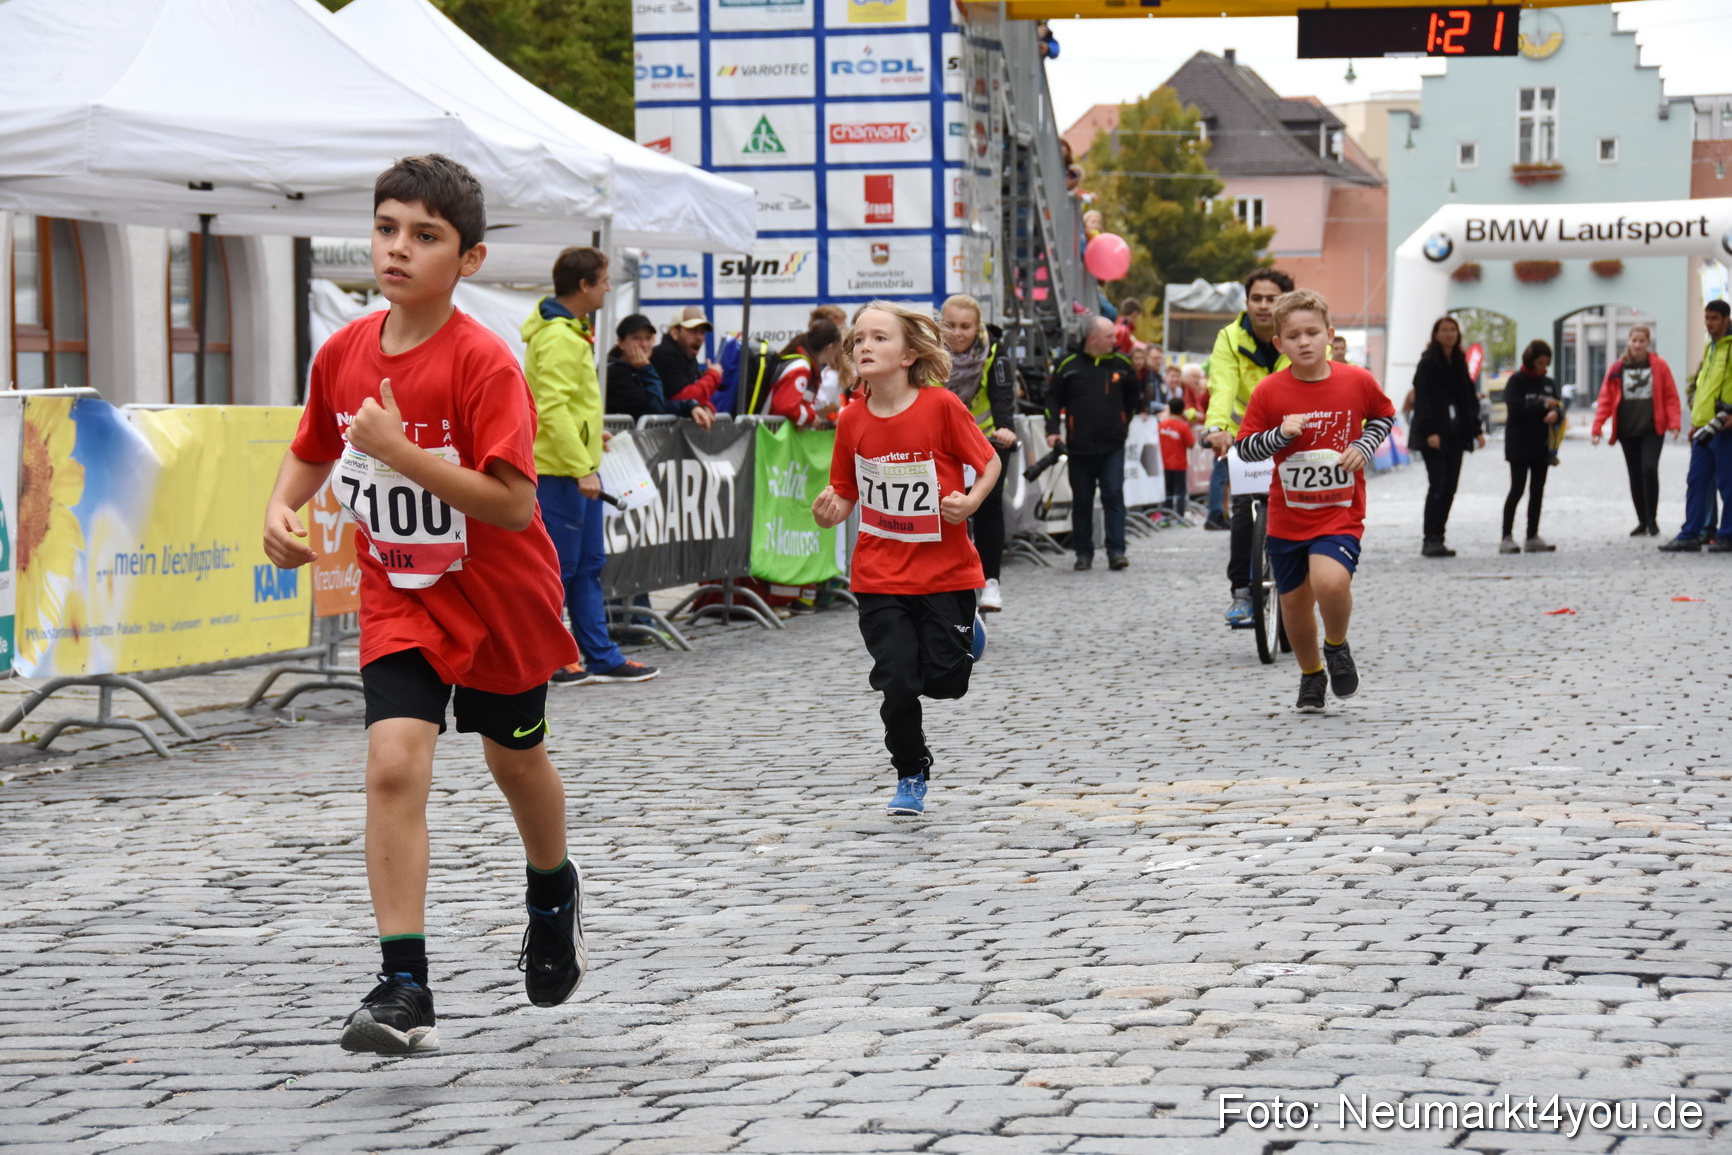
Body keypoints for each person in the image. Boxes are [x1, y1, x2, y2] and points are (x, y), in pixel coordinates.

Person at [261, 155, 585, 1054]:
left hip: (500, 600)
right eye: (387, 228)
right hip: (401, 595)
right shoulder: (345, 353)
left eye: (426, 236)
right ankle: (404, 981)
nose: (399, 249)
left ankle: (552, 891)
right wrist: (279, 506)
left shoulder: (485, 362)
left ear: (469, 259)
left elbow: (513, 503)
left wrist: (401, 452)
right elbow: (313, 446)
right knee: (395, 763)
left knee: (515, 761)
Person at [811, 301, 1000, 816]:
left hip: (946, 571)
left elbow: (989, 462)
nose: (865, 347)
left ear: (910, 353)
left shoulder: (940, 406)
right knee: (897, 679)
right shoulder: (851, 419)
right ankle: (910, 771)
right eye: (859, 340)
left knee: (945, 681)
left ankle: (968, 635)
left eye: (879, 338)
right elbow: (846, 491)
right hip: (879, 572)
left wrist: (970, 502)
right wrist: (831, 511)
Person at [1235, 289, 1395, 712]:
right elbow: (1246, 448)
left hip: (1339, 511)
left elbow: (1383, 415)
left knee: (1330, 582)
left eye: (1312, 332)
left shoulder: (1356, 380)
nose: (1304, 342)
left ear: (1330, 334)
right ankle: (1311, 675)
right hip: (1288, 516)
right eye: (1293, 336)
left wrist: (1364, 444)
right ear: (1279, 344)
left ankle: (1337, 646)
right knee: (1294, 601)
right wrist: (1280, 435)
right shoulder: (1269, 392)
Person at [523, 249, 660, 689]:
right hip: (560, 471)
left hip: (569, 466)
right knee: (561, 568)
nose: (607, 287)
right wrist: (582, 464)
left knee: (585, 565)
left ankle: (599, 656)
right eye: (602, 280)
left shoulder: (566, 332)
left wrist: (589, 438)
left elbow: (565, 408)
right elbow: (552, 407)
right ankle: (554, 659)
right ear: (584, 285)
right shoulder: (561, 337)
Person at [1204, 268, 1293, 619]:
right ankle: (1242, 591)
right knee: (1244, 509)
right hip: (1248, 436)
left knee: (1299, 508)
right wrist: (1216, 427)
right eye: (1256, 298)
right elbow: (1222, 386)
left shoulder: (1303, 333)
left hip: (1295, 434)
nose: (1263, 305)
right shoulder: (1229, 337)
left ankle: (1302, 580)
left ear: (1285, 301)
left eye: (1271, 298)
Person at [941, 294, 1018, 612]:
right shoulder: (925, 351)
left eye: (966, 327)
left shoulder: (994, 354)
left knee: (987, 508)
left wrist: (1006, 428)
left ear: (978, 327)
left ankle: (990, 582)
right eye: (951, 325)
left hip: (985, 441)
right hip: (942, 444)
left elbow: (1002, 396)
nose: (958, 333)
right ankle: (945, 581)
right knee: (945, 512)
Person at [1045, 315, 1142, 571]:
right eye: (1109, 336)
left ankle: (1116, 551)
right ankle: (1083, 553)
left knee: (1113, 495)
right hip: (1079, 446)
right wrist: (1053, 430)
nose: (1115, 340)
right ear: (1093, 338)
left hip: (1113, 445)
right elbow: (1053, 400)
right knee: (1082, 500)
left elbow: (1135, 397)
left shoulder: (1122, 363)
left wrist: (1124, 421)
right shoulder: (1067, 365)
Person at [1593, 325, 1680, 538]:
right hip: (1627, 430)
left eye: (1642, 341)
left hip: (1652, 428)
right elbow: (1605, 399)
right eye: (1634, 340)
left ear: (1648, 343)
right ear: (1628, 342)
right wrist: (1597, 426)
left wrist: (1674, 422)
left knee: (1649, 469)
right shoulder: (1617, 368)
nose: (1638, 344)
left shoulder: (1659, 366)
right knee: (1635, 474)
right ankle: (1642, 520)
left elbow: (1670, 395)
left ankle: (1653, 519)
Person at [1409, 315, 1485, 558]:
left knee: (1450, 486)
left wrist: (1477, 429)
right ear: (1436, 334)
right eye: (1444, 329)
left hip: (1456, 434)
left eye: (1453, 329)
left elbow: (1468, 398)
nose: (1449, 333)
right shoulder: (1428, 362)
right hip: (1434, 434)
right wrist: (1430, 430)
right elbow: (1423, 399)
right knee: (1438, 485)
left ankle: (1439, 537)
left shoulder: (1460, 361)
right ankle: (1429, 538)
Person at [1659, 301, 1732, 553]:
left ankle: (1728, 534)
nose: (1709, 323)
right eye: (1706, 318)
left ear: (1726, 319)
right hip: (1705, 428)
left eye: (1714, 318)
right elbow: (1704, 387)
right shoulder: (1711, 348)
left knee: (1727, 483)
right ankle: (1691, 533)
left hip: (1726, 427)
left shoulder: (1730, 347)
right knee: (1697, 481)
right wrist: (1697, 422)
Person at [1500, 339, 1563, 554]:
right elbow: (1515, 408)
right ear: (1531, 360)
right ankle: (1506, 536)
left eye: (1547, 363)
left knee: (1537, 490)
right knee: (1517, 488)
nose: (1544, 367)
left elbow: (1559, 406)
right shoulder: (1516, 381)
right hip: (1518, 443)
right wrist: (1542, 405)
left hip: (1542, 444)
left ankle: (1532, 535)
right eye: (1540, 363)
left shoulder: (1549, 383)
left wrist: (1556, 414)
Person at [606, 314, 715, 427]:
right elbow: (656, 408)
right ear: (621, 343)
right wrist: (647, 369)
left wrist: (691, 407)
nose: (644, 345)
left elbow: (663, 404)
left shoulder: (641, 369)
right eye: (636, 338)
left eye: (648, 338)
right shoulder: (613, 373)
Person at [767, 320, 841, 428]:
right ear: (830, 347)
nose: (836, 355)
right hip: (771, 433)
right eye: (837, 350)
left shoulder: (802, 364)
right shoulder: (801, 368)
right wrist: (810, 417)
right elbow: (786, 406)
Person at [649, 305, 722, 408]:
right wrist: (713, 376)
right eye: (693, 330)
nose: (699, 337)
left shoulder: (687, 356)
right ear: (674, 333)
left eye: (702, 331)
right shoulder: (664, 354)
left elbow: (691, 403)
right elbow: (683, 398)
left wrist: (707, 408)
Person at [1158, 397, 1197, 517]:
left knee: (1167, 491)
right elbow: (1191, 444)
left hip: (1163, 464)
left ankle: (1166, 516)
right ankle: (1180, 517)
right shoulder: (1183, 426)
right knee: (1180, 492)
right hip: (1179, 464)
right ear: (1182, 410)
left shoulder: (1161, 425)